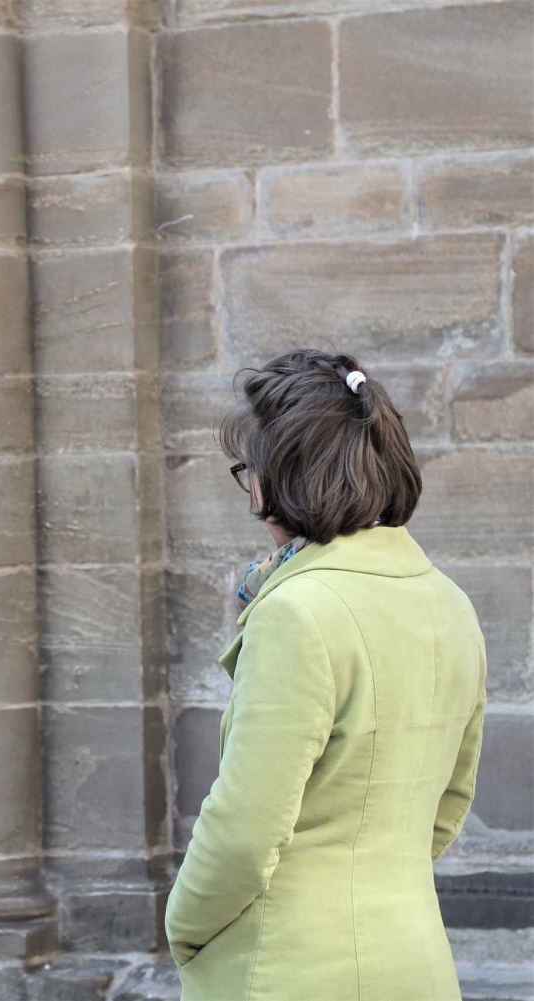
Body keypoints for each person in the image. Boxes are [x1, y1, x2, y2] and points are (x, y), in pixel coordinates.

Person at [165, 351, 486, 1000]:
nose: (249, 489)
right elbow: (448, 807)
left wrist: (186, 928)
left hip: (292, 967)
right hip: (415, 962)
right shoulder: (449, 603)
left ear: (281, 476)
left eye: (249, 468)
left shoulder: (296, 611)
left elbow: (243, 830)